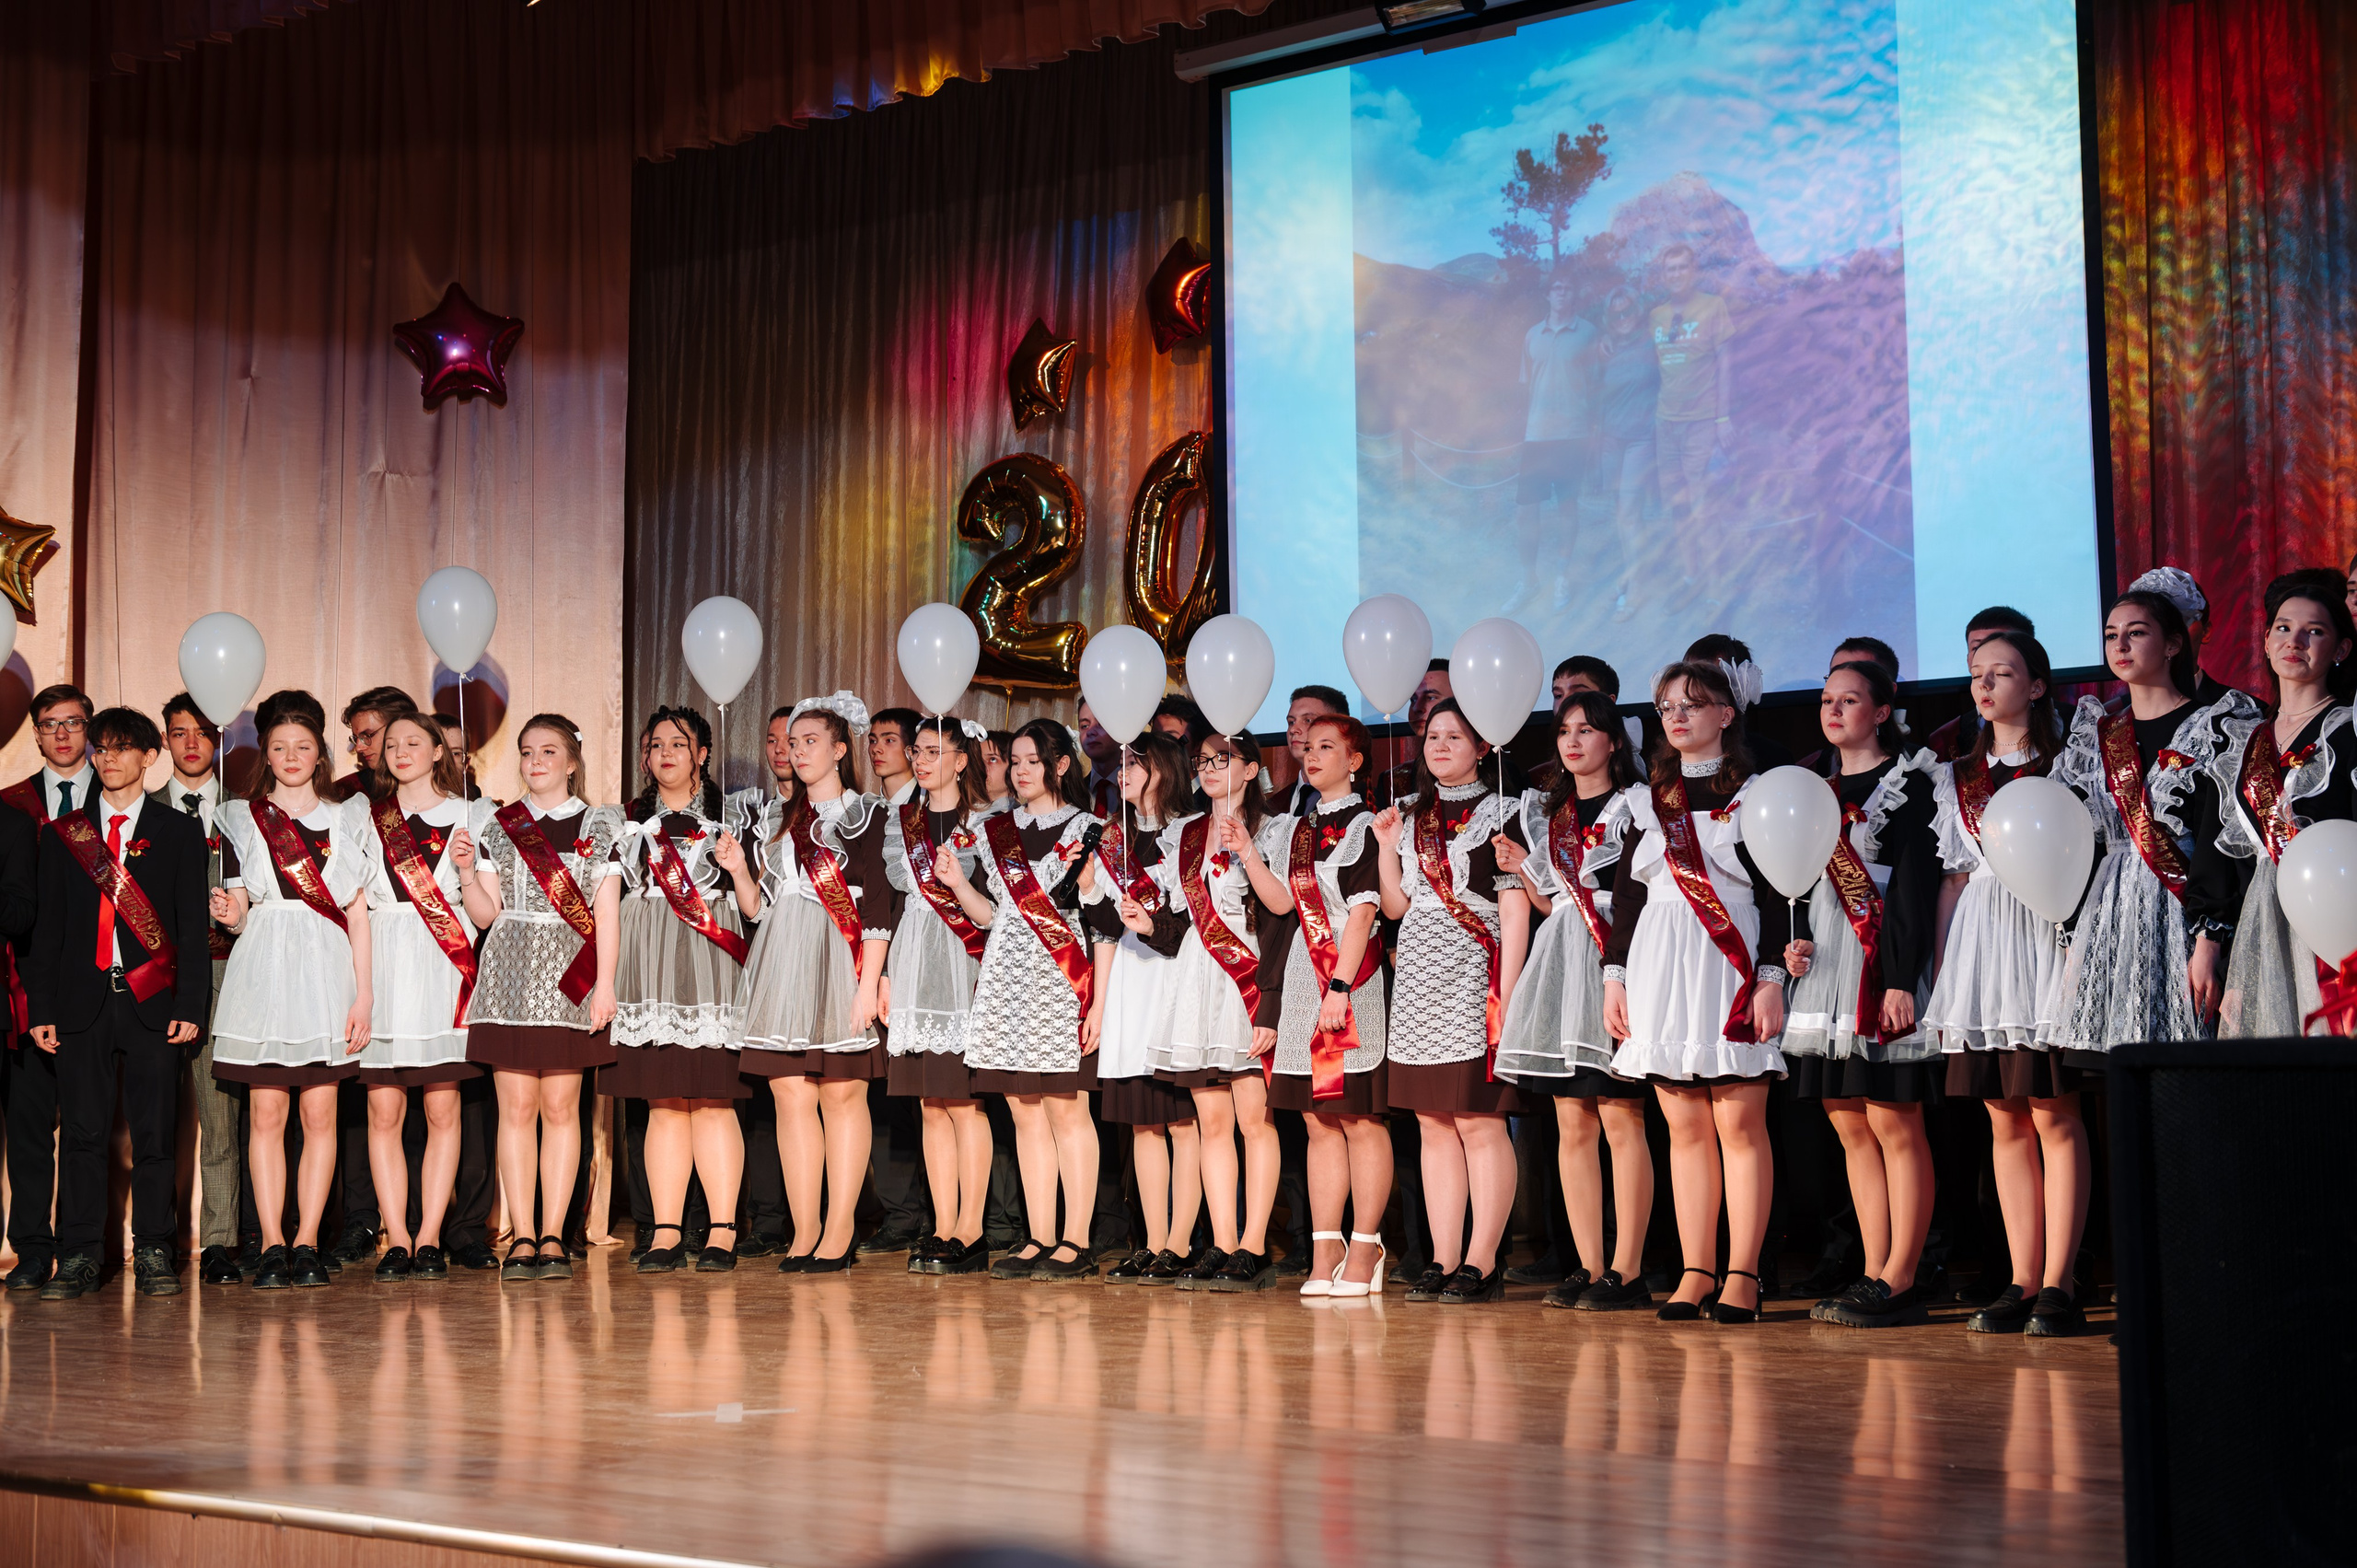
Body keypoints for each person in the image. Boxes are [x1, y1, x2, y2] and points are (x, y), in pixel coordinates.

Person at [1602, 660, 1792, 1324]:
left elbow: (1777, 895)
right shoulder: (1644, 799)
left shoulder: (1760, 794)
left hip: (1729, 960)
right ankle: (1695, 1269)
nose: (1678, 717)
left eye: (1694, 703)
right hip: (1659, 960)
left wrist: (1771, 978)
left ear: (1727, 714)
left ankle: (1743, 1272)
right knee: (1682, 1126)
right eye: (1667, 707)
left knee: (1738, 1122)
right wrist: (1615, 976)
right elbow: (1626, 898)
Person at [1921, 631, 2084, 1335]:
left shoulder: (2069, 762)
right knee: (2003, 1116)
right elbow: (1954, 880)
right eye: (1977, 676)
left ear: (2038, 685)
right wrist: (1943, 973)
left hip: (2046, 936)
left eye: (2004, 673)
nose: (1986, 687)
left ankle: (2062, 1279)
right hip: (1985, 946)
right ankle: (2020, 1275)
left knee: (2053, 1110)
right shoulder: (1956, 777)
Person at [1779, 661, 1944, 1329]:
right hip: (1822, 967)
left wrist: (1902, 976)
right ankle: (1872, 1268)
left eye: (1850, 699)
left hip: (1880, 965)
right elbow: (1790, 882)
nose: (1834, 710)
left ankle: (1903, 1274)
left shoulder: (1910, 784)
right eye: (1826, 700)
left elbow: (1912, 887)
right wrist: (1789, 943)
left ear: (1882, 711)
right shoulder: (1810, 787)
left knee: (1894, 1120)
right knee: (1849, 1122)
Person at [26, 708, 207, 1301]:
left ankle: (155, 1248)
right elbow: (48, 931)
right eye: (100, 748)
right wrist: (42, 1008)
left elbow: (190, 924)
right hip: (82, 1005)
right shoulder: (64, 835)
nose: (106, 758)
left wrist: (191, 1004)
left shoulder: (178, 831)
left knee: (156, 1133)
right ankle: (79, 1253)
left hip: (153, 1002)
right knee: (81, 1133)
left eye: (121, 748)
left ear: (149, 756)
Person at [720, 692, 893, 1273]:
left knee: (841, 1093)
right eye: (791, 743)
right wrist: (740, 869)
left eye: (810, 741)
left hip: (841, 957)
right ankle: (805, 1228)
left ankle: (840, 1229)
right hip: (782, 956)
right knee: (790, 1095)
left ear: (841, 749)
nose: (797, 751)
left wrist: (870, 982)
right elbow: (755, 909)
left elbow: (879, 908)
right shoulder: (774, 819)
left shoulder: (868, 815)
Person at [2049, 590, 2260, 1063]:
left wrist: (2209, 942)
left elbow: (2222, 841)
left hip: (2187, 911)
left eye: (2136, 633)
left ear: (2171, 645)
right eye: (2111, 635)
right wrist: (2072, 933)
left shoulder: (2215, 725)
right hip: (2112, 915)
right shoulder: (2098, 733)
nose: (2120, 645)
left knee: (2188, 1073)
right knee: (2120, 1082)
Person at [207, 690, 374, 1291]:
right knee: (268, 1112)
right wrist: (230, 909)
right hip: (265, 972)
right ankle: (273, 1241)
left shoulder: (349, 816)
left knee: (320, 1111)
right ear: (266, 755)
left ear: (319, 751)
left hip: (328, 973)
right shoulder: (242, 816)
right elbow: (245, 905)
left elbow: (358, 912)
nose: (291, 755)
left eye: (302, 745)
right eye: (279, 746)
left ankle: (308, 1241)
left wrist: (364, 996)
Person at [1492, 691, 1654, 1310]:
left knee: (1620, 1115)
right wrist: (1528, 873)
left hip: (1617, 955)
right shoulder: (1549, 813)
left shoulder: (1633, 806)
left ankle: (1629, 1268)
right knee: (1571, 1120)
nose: (1573, 740)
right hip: (1561, 957)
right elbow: (1550, 903)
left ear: (1614, 740)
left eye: (1587, 729)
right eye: (1564, 730)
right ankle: (1588, 1266)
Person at [933, 719, 1108, 1282]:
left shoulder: (1090, 830)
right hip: (1007, 974)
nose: (1022, 769)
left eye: (1034, 759)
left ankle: (1077, 1238)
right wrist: (959, 887)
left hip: (1062, 975)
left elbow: (1099, 924)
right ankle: (1039, 1235)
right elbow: (994, 916)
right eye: (1015, 759)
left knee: (1065, 1108)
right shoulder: (994, 831)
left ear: (1060, 765)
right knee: (1023, 1111)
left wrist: (1097, 1003)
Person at [1373, 698, 1531, 1305]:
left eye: (1454, 736)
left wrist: (1509, 996)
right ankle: (1442, 1256)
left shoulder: (1507, 811)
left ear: (1484, 746)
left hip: (1475, 969)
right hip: (1417, 971)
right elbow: (1395, 906)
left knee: (1478, 1118)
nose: (1438, 746)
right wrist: (1387, 847)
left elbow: (1514, 909)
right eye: (1432, 736)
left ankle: (1482, 1257)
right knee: (1432, 1122)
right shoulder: (1413, 815)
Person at [459, 714, 623, 1283]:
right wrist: (464, 874)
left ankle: (554, 1233)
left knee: (561, 1108)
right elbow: (486, 914)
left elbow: (606, 912)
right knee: (517, 1110)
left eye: (548, 751)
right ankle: (522, 1235)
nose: (535, 761)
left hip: (570, 977)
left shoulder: (601, 824)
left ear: (572, 761)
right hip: (508, 973)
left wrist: (605, 984)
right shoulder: (500, 825)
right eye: (527, 752)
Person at [610, 705, 749, 1274]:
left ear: (702, 754)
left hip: (711, 960)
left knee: (713, 1100)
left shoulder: (735, 818)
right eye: (656, 743)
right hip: (649, 968)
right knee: (664, 1102)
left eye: (678, 742)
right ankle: (665, 1228)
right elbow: (610, 905)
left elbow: (753, 905)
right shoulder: (621, 822)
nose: (665, 752)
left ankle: (722, 1229)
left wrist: (737, 867)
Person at [2190, 570, 2357, 1038]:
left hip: (2334, 919)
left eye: (2315, 631)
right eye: (2283, 628)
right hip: (2259, 924)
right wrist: (2209, 945)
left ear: (2341, 649)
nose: (2295, 640)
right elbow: (2220, 855)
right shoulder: (2241, 740)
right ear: (2265, 641)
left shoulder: (2348, 730)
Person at [1259, 714, 1391, 1297]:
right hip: (1301, 974)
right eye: (1307, 747)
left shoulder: (1365, 824)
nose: (1311, 756)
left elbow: (1363, 911)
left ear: (1354, 760)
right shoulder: (1300, 828)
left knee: (1359, 1117)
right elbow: (1286, 902)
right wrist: (1248, 855)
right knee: (1316, 1120)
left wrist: (1339, 987)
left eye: (1327, 747)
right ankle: (1325, 1243)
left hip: (1348, 973)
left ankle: (1367, 1245)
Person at [352, 710, 482, 1281]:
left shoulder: (473, 815)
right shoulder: (362, 815)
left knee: (442, 1106)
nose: (400, 751)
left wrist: (468, 869)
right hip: (384, 956)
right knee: (383, 1109)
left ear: (438, 752)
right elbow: (352, 900)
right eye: (391, 743)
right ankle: (397, 1237)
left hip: (443, 960)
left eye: (414, 742)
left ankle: (430, 1235)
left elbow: (485, 906)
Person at [1153, 730, 1283, 1291]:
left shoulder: (1272, 828)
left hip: (1247, 977)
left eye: (1222, 760)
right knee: (1211, 1120)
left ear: (1250, 769)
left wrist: (1248, 852)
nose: (1208, 769)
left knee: (1254, 1119)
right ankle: (1222, 1240)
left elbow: (1281, 912)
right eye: (1202, 761)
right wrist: (1148, 921)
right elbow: (1179, 919)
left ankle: (1254, 1244)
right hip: (1195, 977)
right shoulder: (1183, 833)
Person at [882, 718, 1002, 1276]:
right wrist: (884, 975)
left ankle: (973, 1230)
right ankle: (944, 1224)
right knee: (932, 1102)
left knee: (964, 1101)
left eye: (934, 751)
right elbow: (889, 900)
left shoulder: (985, 822)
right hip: (915, 956)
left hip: (965, 957)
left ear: (961, 759)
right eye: (917, 750)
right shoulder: (901, 819)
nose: (922, 759)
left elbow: (997, 906)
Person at [1086, 731, 1200, 1284]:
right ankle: (1152, 1241)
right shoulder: (1114, 838)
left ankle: (1182, 1241)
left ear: (1166, 768)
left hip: (1176, 979)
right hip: (1132, 982)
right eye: (1124, 762)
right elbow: (1106, 931)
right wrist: (1099, 1006)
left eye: (1138, 761)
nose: (1125, 770)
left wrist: (1152, 923)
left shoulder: (1190, 836)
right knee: (1143, 1125)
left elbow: (1196, 926)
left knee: (1180, 1121)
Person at [1, 683, 95, 1295]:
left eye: (73, 723)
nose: (61, 735)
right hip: (26, 987)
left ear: (89, 729)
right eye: (49, 724)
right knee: (30, 1126)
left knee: (92, 1127)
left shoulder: (119, 797)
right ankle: (32, 1246)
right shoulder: (10, 804)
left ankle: (87, 1247)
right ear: (35, 733)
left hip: (99, 987)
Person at [324, 683, 415, 1265]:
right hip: (364, 955)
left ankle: (444, 1225)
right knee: (365, 1098)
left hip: (432, 957)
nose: (361, 747)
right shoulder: (342, 801)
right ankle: (362, 1220)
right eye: (354, 737)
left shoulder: (457, 799)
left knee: (440, 1093)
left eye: (370, 734)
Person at [158, 691, 243, 1284]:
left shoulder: (246, 812)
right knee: (153, 1118)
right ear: (164, 740)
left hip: (225, 973)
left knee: (221, 1117)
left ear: (219, 739)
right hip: (150, 983)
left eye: (203, 733)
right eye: (179, 732)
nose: (192, 744)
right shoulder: (138, 807)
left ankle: (219, 1240)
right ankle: (154, 1240)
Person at [1650, 243, 1737, 596]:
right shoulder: (1656, 315)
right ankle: (1691, 578)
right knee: (1679, 506)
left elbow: (1726, 365)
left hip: (1701, 422)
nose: (1676, 274)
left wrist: (1723, 417)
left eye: (1682, 267)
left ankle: (1715, 587)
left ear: (1693, 270)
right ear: (1664, 275)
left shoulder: (1713, 306)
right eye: (1670, 269)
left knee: (1703, 508)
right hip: (1665, 424)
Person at [1511, 270, 1599, 616]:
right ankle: (1529, 579)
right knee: (1525, 512)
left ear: (1573, 295)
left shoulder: (1589, 333)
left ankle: (1562, 575)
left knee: (1567, 509)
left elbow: (1596, 385)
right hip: (1536, 436)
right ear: (1548, 294)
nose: (1561, 293)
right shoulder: (1532, 335)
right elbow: (1526, 385)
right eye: (1556, 288)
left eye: (1568, 288)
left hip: (1573, 435)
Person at [1595, 285, 1660, 623]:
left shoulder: (1652, 343)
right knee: (1621, 512)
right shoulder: (1604, 348)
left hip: (1639, 439)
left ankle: (1636, 587)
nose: (1623, 319)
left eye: (1628, 312)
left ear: (1638, 312)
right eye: (1616, 314)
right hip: (1611, 440)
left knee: (1632, 512)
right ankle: (1632, 571)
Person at [1926, 607, 2038, 760]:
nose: (1988, 653)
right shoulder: (1946, 739)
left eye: (2001, 645)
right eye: (1977, 648)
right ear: (1968, 660)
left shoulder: (2076, 730)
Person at [2126, 565, 2237, 706]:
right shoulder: (2111, 718)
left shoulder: (2242, 713)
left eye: (2183, 620)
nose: (2169, 633)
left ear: (2206, 632)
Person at [1376, 660, 1454, 806]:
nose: (1417, 707)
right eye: (1413, 699)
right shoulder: (1392, 780)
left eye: (1431, 697)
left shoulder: (1500, 773)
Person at [1275, 685, 1351, 818]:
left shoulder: (1365, 801)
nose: (1293, 730)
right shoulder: (1273, 806)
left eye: (1308, 720)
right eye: (1291, 722)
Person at [1075, 700, 1123, 820]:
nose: (1091, 732)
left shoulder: (1140, 792)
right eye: (1085, 726)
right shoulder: (1072, 793)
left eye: (1101, 724)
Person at [867, 708, 921, 801]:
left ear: (912, 750)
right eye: (873, 741)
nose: (876, 749)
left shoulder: (929, 806)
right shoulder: (864, 809)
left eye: (889, 740)